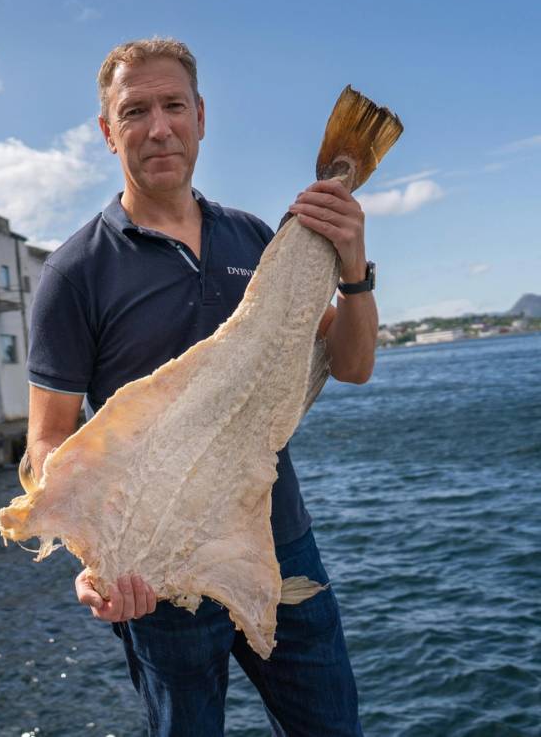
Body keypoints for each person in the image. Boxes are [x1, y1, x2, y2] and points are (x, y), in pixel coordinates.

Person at [25, 38, 376, 736]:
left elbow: (351, 362)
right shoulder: (75, 273)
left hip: (283, 548)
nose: (159, 127)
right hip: (155, 577)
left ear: (201, 116)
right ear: (107, 130)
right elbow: (48, 440)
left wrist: (355, 271)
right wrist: (92, 558)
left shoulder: (255, 240)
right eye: (135, 111)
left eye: (173, 105)